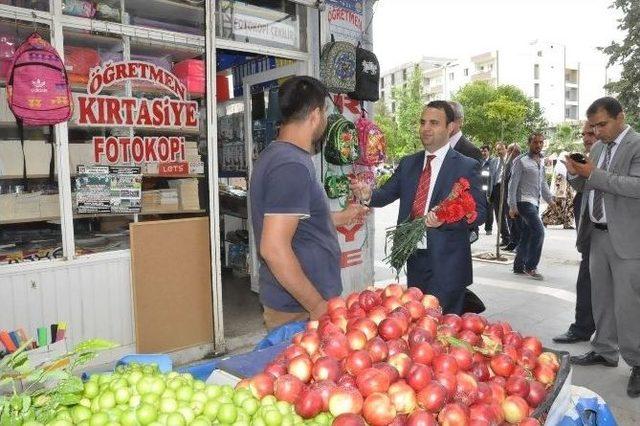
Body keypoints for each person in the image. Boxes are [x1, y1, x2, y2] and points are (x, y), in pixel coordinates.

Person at [250, 76, 367, 330]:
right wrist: (316, 305)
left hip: (299, 304)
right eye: (325, 112)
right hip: (299, 309)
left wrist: (340, 217)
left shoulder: (280, 156)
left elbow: (296, 223)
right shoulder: (291, 165)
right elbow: (273, 248)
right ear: (316, 114)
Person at [352, 101, 486, 314]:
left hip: (449, 263)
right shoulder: (408, 163)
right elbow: (386, 194)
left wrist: (447, 218)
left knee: (444, 327)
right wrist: (367, 195)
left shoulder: (466, 165)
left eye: (434, 123)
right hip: (415, 259)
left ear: (450, 127)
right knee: (419, 323)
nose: (426, 128)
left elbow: (480, 213)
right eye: (423, 122)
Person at [565, 97, 640, 398]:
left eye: (602, 125)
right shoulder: (597, 147)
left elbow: (636, 186)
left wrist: (592, 174)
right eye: (593, 126)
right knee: (602, 298)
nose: (597, 131)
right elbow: (586, 185)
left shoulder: (636, 144)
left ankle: (637, 362)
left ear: (620, 117)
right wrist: (575, 173)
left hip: (627, 237)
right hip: (597, 235)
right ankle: (605, 349)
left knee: (628, 304)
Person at [553, 122, 597, 344]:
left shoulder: (613, 158)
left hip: (616, 236)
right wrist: (574, 173)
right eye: (584, 134)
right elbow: (583, 188)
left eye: (592, 132)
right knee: (587, 279)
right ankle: (583, 328)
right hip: (591, 234)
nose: (587, 138)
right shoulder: (587, 159)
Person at [508, 132, 555, 280]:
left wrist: (550, 200)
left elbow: (542, 183)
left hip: (535, 203)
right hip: (523, 202)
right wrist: (512, 205)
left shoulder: (541, 161)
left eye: (541, 142)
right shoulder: (520, 161)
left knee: (527, 235)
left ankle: (518, 266)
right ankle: (530, 266)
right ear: (529, 143)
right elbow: (512, 184)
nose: (538, 145)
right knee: (539, 231)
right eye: (535, 142)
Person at [490, 142, 510, 245]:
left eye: (501, 149)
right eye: (498, 149)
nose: (499, 151)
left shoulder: (510, 161)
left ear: (506, 149)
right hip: (496, 189)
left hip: (506, 189)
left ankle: (513, 238)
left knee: (508, 214)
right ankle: (505, 237)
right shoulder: (494, 161)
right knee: (498, 215)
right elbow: (490, 178)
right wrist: (489, 192)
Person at [503, 143, 521, 251]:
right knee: (510, 220)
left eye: (510, 151)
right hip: (507, 195)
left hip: (516, 197)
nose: (508, 153)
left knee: (517, 221)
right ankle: (512, 241)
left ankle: (518, 243)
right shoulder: (509, 162)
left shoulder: (519, 162)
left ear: (516, 152)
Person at [480, 145, 495, 235]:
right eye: (482, 151)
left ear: (489, 152)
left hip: (489, 190)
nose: (483, 153)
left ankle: (488, 228)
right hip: (479, 190)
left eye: (485, 151)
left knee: (489, 210)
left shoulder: (492, 162)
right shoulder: (479, 162)